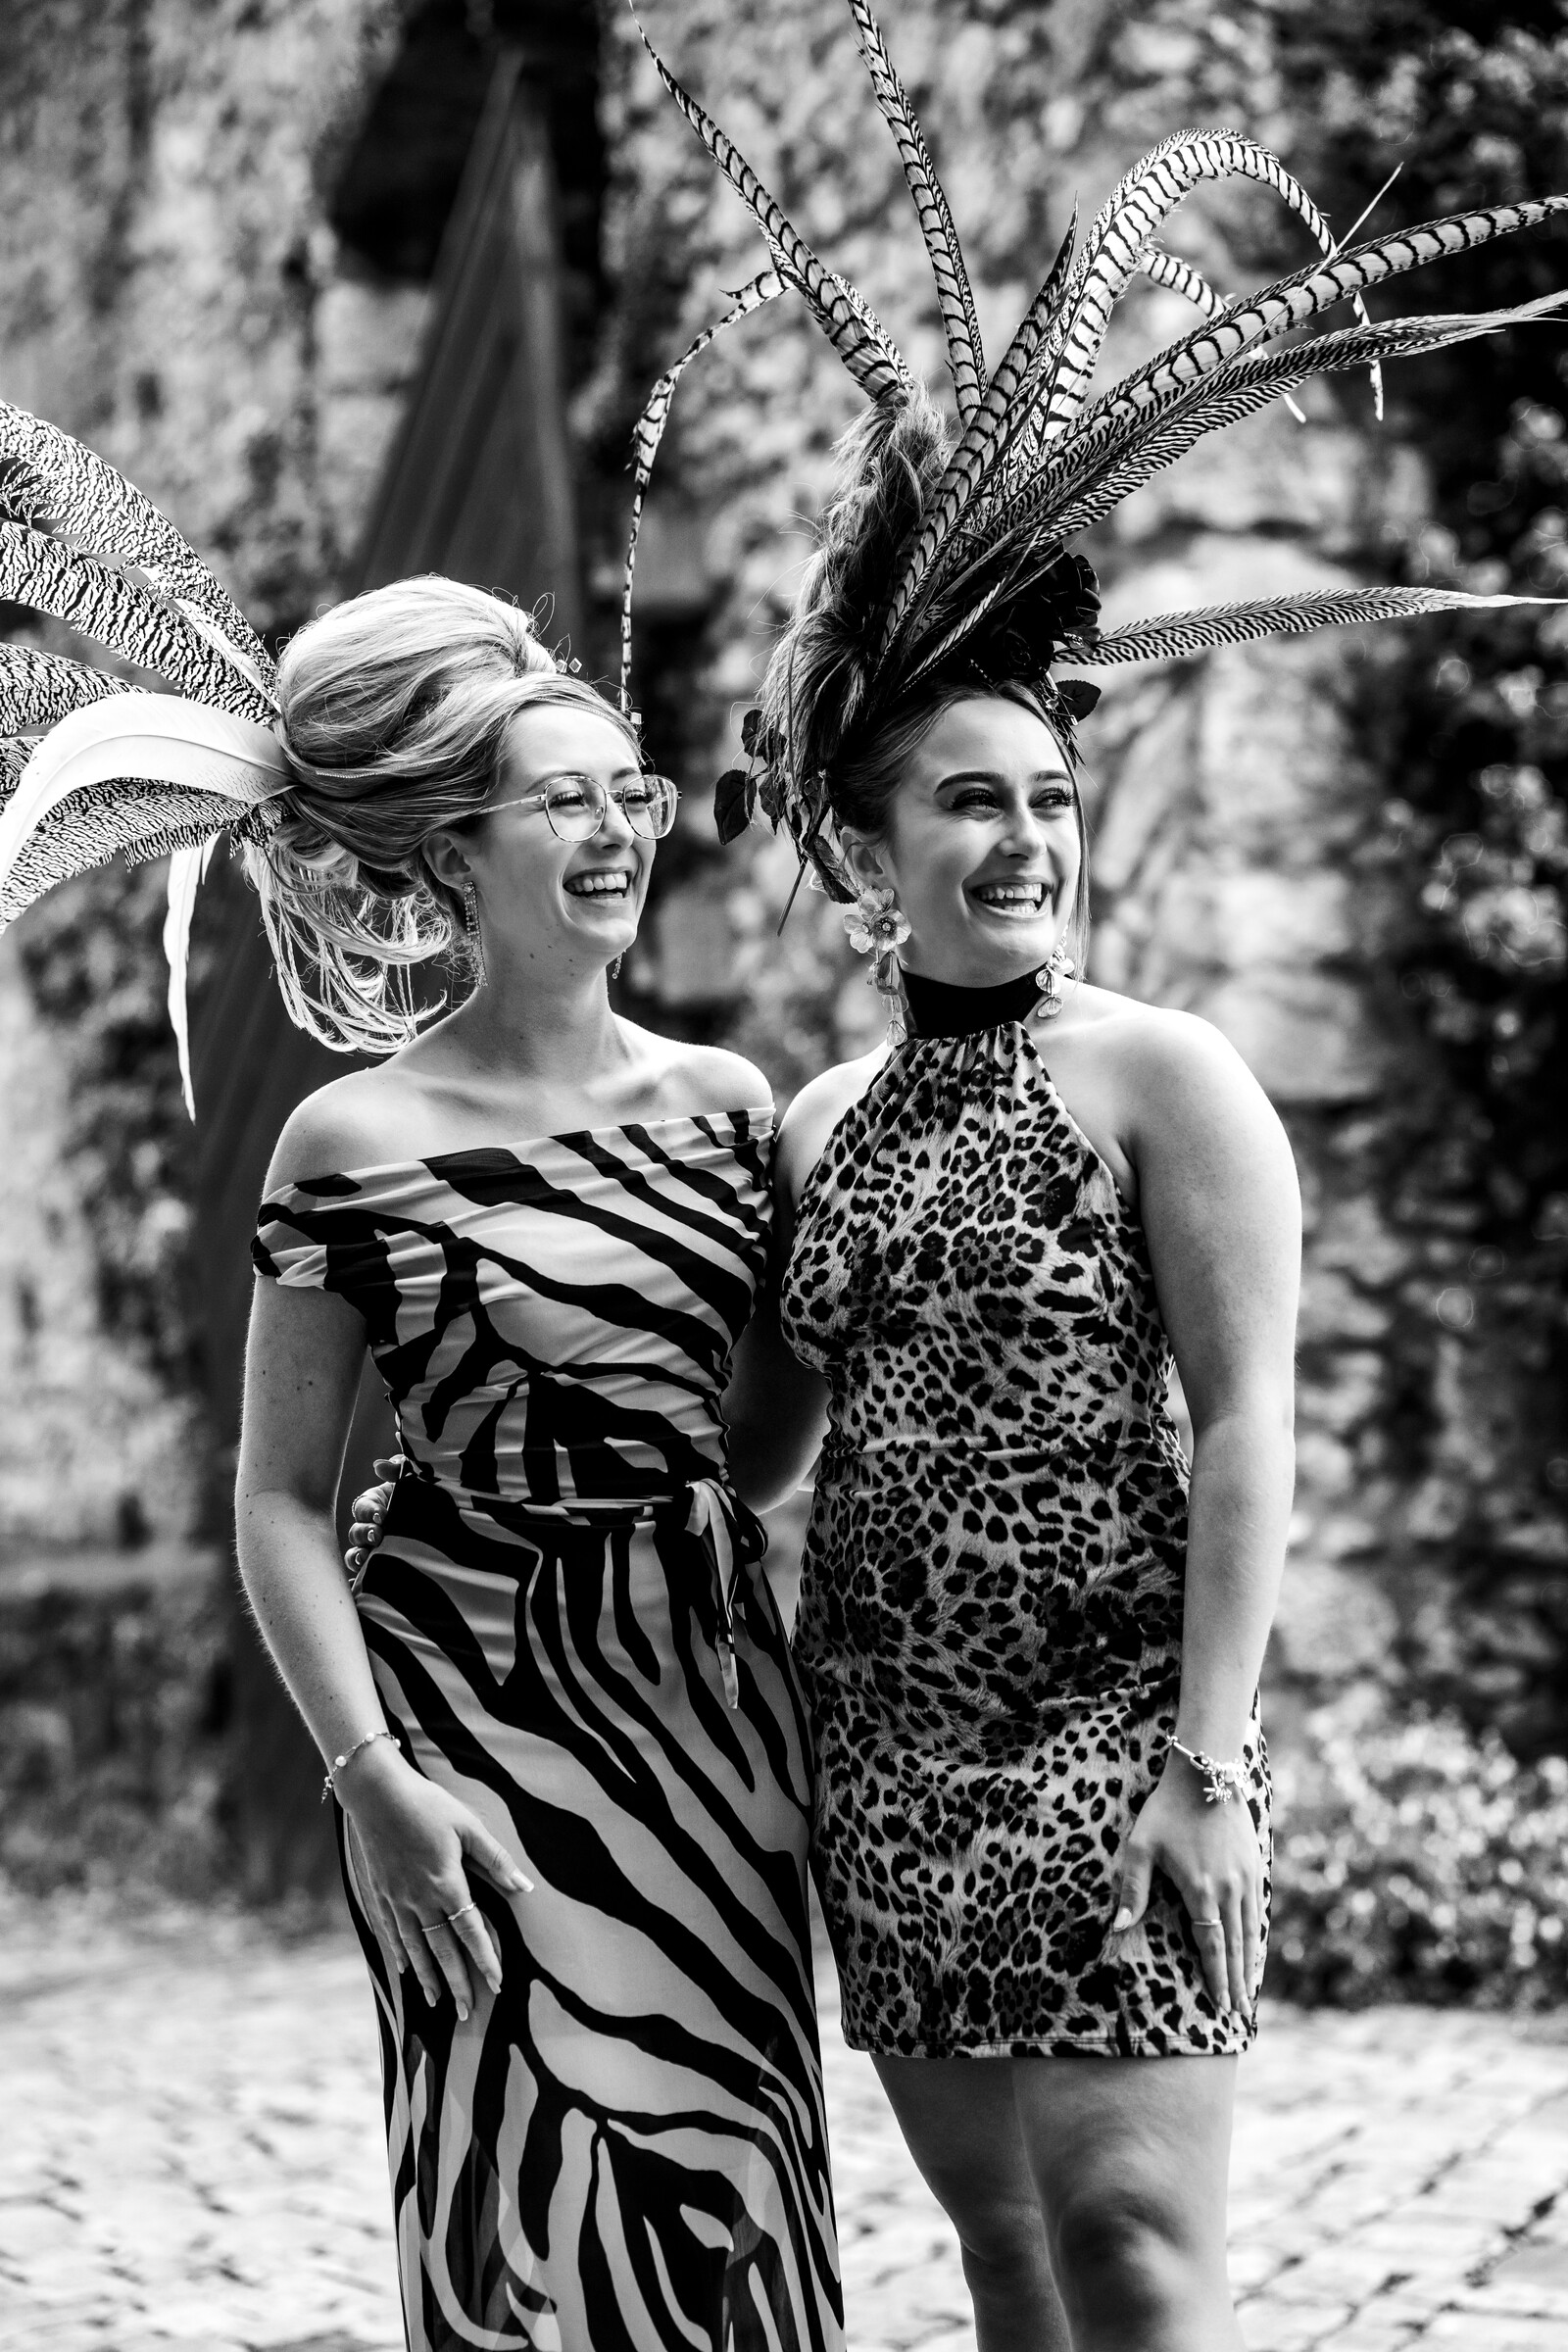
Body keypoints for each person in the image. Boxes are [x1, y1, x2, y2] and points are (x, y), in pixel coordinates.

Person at [232, 577, 844, 2352]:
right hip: (461, 1725)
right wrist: (369, 1779)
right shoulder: (347, 1138)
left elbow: (751, 1442)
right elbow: (276, 1501)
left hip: (709, 1709)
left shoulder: (730, 1108)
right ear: (452, 854)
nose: (614, 830)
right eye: (562, 800)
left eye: (629, 792)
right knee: (512, 2188)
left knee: (734, 2172)